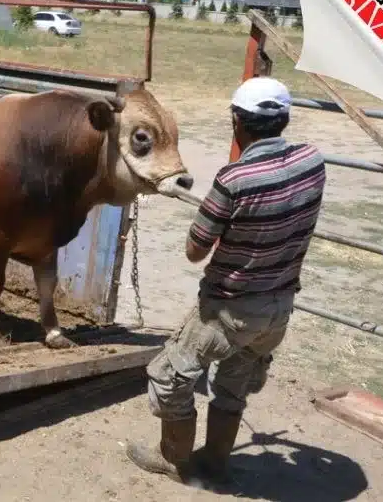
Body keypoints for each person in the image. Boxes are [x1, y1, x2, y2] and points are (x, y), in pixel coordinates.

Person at [126, 77, 327, 486]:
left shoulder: (234, 180)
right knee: (233, 382)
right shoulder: (312, 161)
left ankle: (173, 460)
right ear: (285, 119)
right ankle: (216, 462)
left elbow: (195, 250)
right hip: (279, 307)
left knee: (169, 375)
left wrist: (210, 212)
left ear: (237, 121)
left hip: (230, 309)